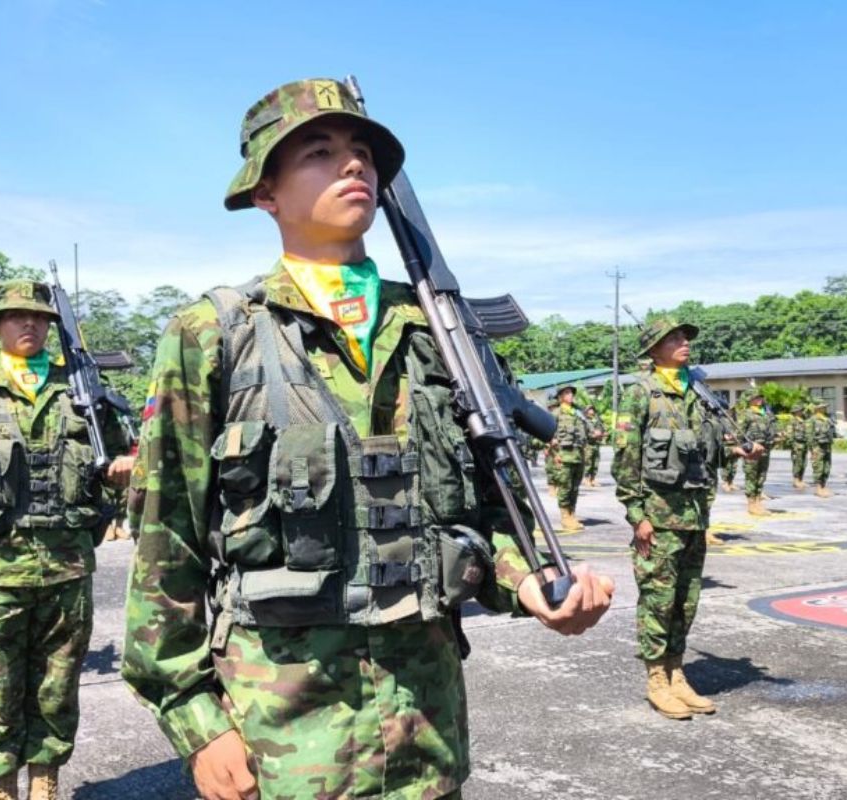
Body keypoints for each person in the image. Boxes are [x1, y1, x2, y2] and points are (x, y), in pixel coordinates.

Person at [121, 78, 614, 800]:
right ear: (266, 194)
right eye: (319, 152)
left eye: (363, 154)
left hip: (426, 730)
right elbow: (168, 543)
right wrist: (197, 720)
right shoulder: (215, 333)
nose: (353, 165)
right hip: (282, 737)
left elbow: (479, 511)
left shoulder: (435, 332)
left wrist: (531, 586)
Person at [0, 281, 133, 800]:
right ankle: (1, 786)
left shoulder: (83, 394)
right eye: (17, 317)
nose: (30, 326)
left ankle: (45, 783)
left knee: (58, 688)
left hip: (67, 566)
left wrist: (123, 472)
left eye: (40, 318)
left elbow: (121, 458)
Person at [613, 317, 760, 719]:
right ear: (654, 348)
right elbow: (626, 458)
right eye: (674, 338)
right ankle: (656, 679)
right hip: (658, 520)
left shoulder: (697, 391)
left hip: (695, 517)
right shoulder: (641, 393)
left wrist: (739, 452)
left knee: (686, 602)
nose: (684, 343)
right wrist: (636, 514)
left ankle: (677, 673)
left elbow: (703, 452)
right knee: (658, 602)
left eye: (685, 338)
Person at [548, 385, 587, 531]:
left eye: (571, 393)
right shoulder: (556, 414)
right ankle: (565, 516)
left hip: (578, 455)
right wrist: (554, 453)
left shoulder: (578, 413)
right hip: (563, 455)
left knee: (575, 487)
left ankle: (572, 513)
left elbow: (585, 432)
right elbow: (548, 436)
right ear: (560, 396)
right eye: (567, 393)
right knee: (565, 487)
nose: (570, 395)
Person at [741, 392, 776, 516]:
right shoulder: (746, 414)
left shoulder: (766, 413)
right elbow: (739, 433)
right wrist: (745, 448)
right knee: (751, 476)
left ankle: (758, 502)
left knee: (761, 476)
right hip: (752, 450)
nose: (759, 399)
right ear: (750, 399)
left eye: (761, 397)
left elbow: (772, 429)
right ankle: (751, 504)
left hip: (765, 448)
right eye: (756, 397)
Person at [806, 401, 836, 498]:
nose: (825, 409)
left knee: (826, 467)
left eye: (825, 407)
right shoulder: (812, 420)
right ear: (817, 408)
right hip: (817, 446)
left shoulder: (827, 419)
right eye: (823, 407)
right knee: (818, 467)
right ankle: (818, 488)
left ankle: (823, 486)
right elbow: (809, 435)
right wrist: (812, 450)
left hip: (827, 446)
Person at [583, 404, 606, 488]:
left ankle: (593, 479)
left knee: (595, 462)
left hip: (596, 444)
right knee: (588, 463)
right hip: (588, 444)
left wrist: (602, 433)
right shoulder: (584, 421)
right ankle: (586, 479)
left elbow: (603, 429)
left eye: (592, 410)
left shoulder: (597, 420)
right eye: (589, 410)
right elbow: (584, 433)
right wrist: (593, 435)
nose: (591, 411)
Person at [787, 406, 808, 490]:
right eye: (800, 410)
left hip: (804, 444)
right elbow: (790, 433)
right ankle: (796, 480)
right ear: (795, 412)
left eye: (801, 410)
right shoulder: (792, 421)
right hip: (797, 445)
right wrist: (792, 444)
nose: (801, 412)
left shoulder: (803, 421)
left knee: (804, 463)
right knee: (797, 463)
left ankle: (801, 479)